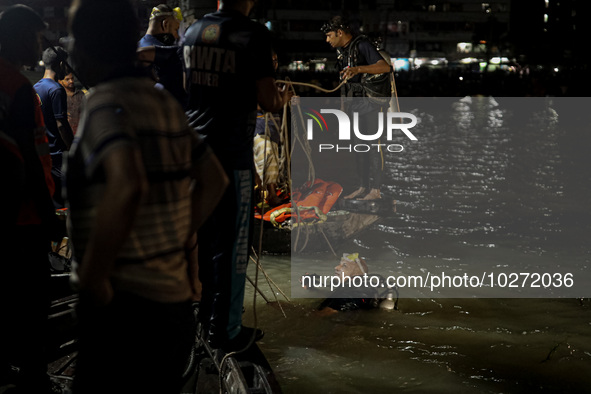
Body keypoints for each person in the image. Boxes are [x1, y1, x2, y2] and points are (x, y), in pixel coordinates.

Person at [66, 0, 228, 393]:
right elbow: (214, 178)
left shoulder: (105, 102)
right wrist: (176, 238)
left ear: (88, 47)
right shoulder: (163, 102)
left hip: (123, 307)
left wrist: (95, 275)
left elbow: (127, 182)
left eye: (73, 38)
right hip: (171, 309)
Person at [183, 0, 292, 352]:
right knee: (232, 248)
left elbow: (190, 88)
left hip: (195, 152)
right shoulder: (252, 34)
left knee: (204, 239)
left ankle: (203, 321)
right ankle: (225, 332)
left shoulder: (193, 31)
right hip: (231, 155)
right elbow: (267, 100)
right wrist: (283, 98)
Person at [0, 4, 61, 393]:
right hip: (21, 218)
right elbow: (26, 161)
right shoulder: (18, 89)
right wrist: (49, 215)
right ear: (20, 37)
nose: (39, 49)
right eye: (36, 39)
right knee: (34, 302)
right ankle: (35, 381)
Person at [322, 16, 392, 201]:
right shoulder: (342, 52)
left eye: (329, 35)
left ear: (339, 32)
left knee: (373, 146)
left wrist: (358, 69)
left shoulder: (362, 45)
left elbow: (385, 67)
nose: (327, 40)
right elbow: (345, 83)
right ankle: (363, 187)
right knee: (358, 147)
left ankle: (375, 190)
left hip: (371, 103)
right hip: (355, 104)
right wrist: (344, 109)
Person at [34, 47, 74, 208]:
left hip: (43, 154)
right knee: (67, 201)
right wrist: (73, 148)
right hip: (58, 157)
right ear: (62, 64)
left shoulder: (36, 87)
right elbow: (61, 124)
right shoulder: (56, 89)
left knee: (52, 201)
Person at [137, 4, 188, 108]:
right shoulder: (164, 53)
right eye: (176, 29)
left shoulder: (138, 45)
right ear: (165, 24)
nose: (177, 36)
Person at [303, 253, 384, 316]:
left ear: (356, 274)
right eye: (339, 264)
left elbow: (318, 315)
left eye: (344, 266)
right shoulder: (361, 286)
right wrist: (313, 289)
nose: (337, 267)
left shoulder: (351, 294)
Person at [254, 51, 286, 206]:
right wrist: (280, 99)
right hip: (258, 126)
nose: (274, 64)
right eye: (270, 61)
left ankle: (264, 191)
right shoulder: (254, 80)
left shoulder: (279, 81)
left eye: (275, 60)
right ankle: (271, 194)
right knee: (266, 155)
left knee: (271, 157)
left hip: (274, 128)